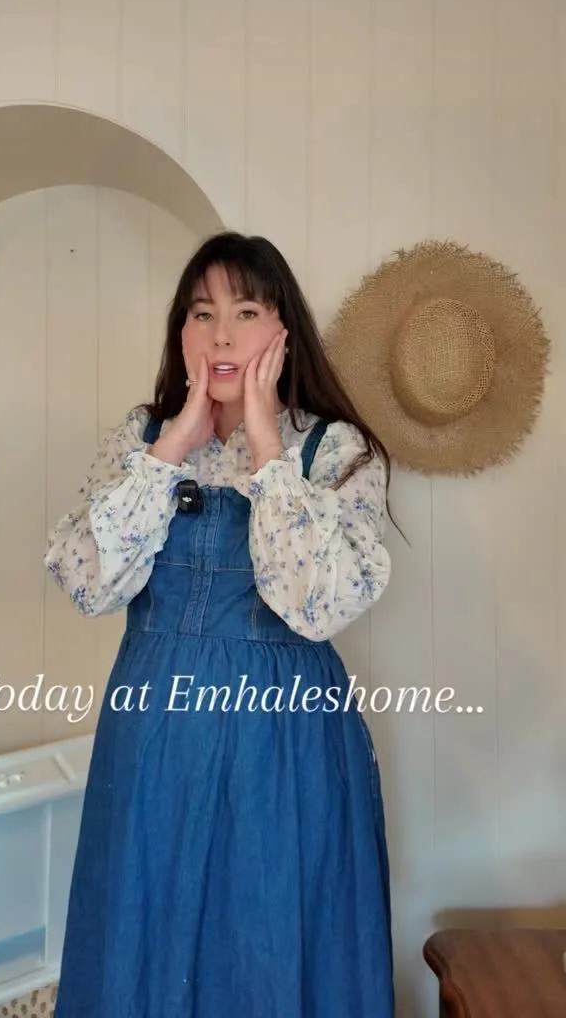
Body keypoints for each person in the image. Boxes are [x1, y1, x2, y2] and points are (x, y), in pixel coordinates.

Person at [44, 231, 395, 1017]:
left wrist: (266, 443)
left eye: (246, 312)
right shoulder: (143, 439)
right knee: (146, 928)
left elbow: (317, 603)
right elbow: (86, 581)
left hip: (287, 741)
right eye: (203, 314)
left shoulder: (333, 450)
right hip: (154, 736)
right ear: (182, 332)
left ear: (283, 331)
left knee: (267, 928)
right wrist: (174, 445)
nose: (223, 336)